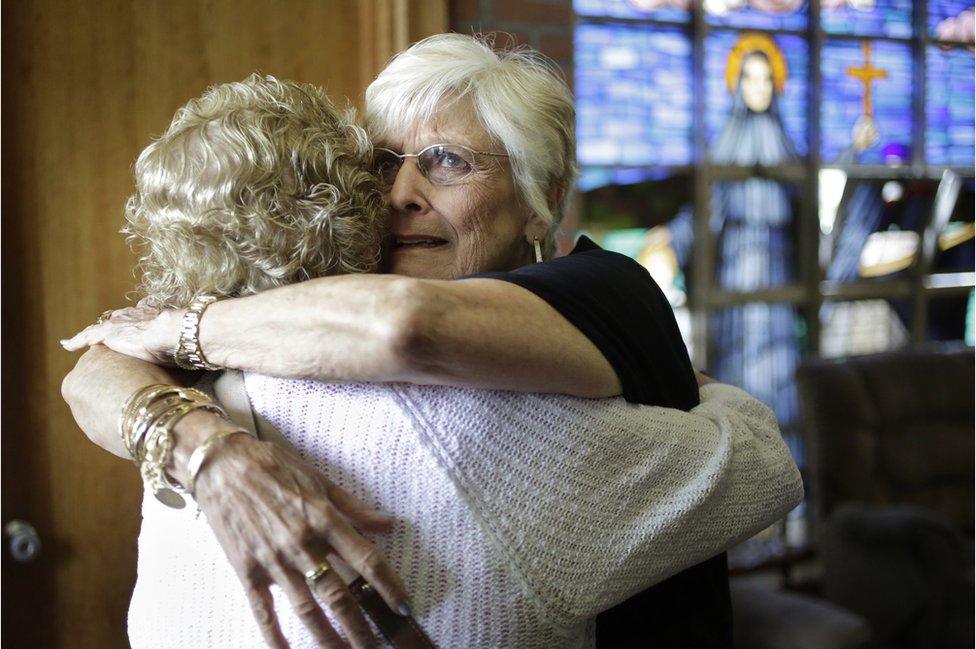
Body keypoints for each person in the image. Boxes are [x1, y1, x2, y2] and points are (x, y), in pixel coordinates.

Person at [62, 34, 803, 648]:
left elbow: (410, 324)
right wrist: (205, 448)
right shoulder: (237, 383)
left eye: (449, 160)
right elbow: (762, 462)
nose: (399, 194)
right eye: (384, 163)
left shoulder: (603, 288)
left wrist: (184, 337)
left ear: (542, 201)